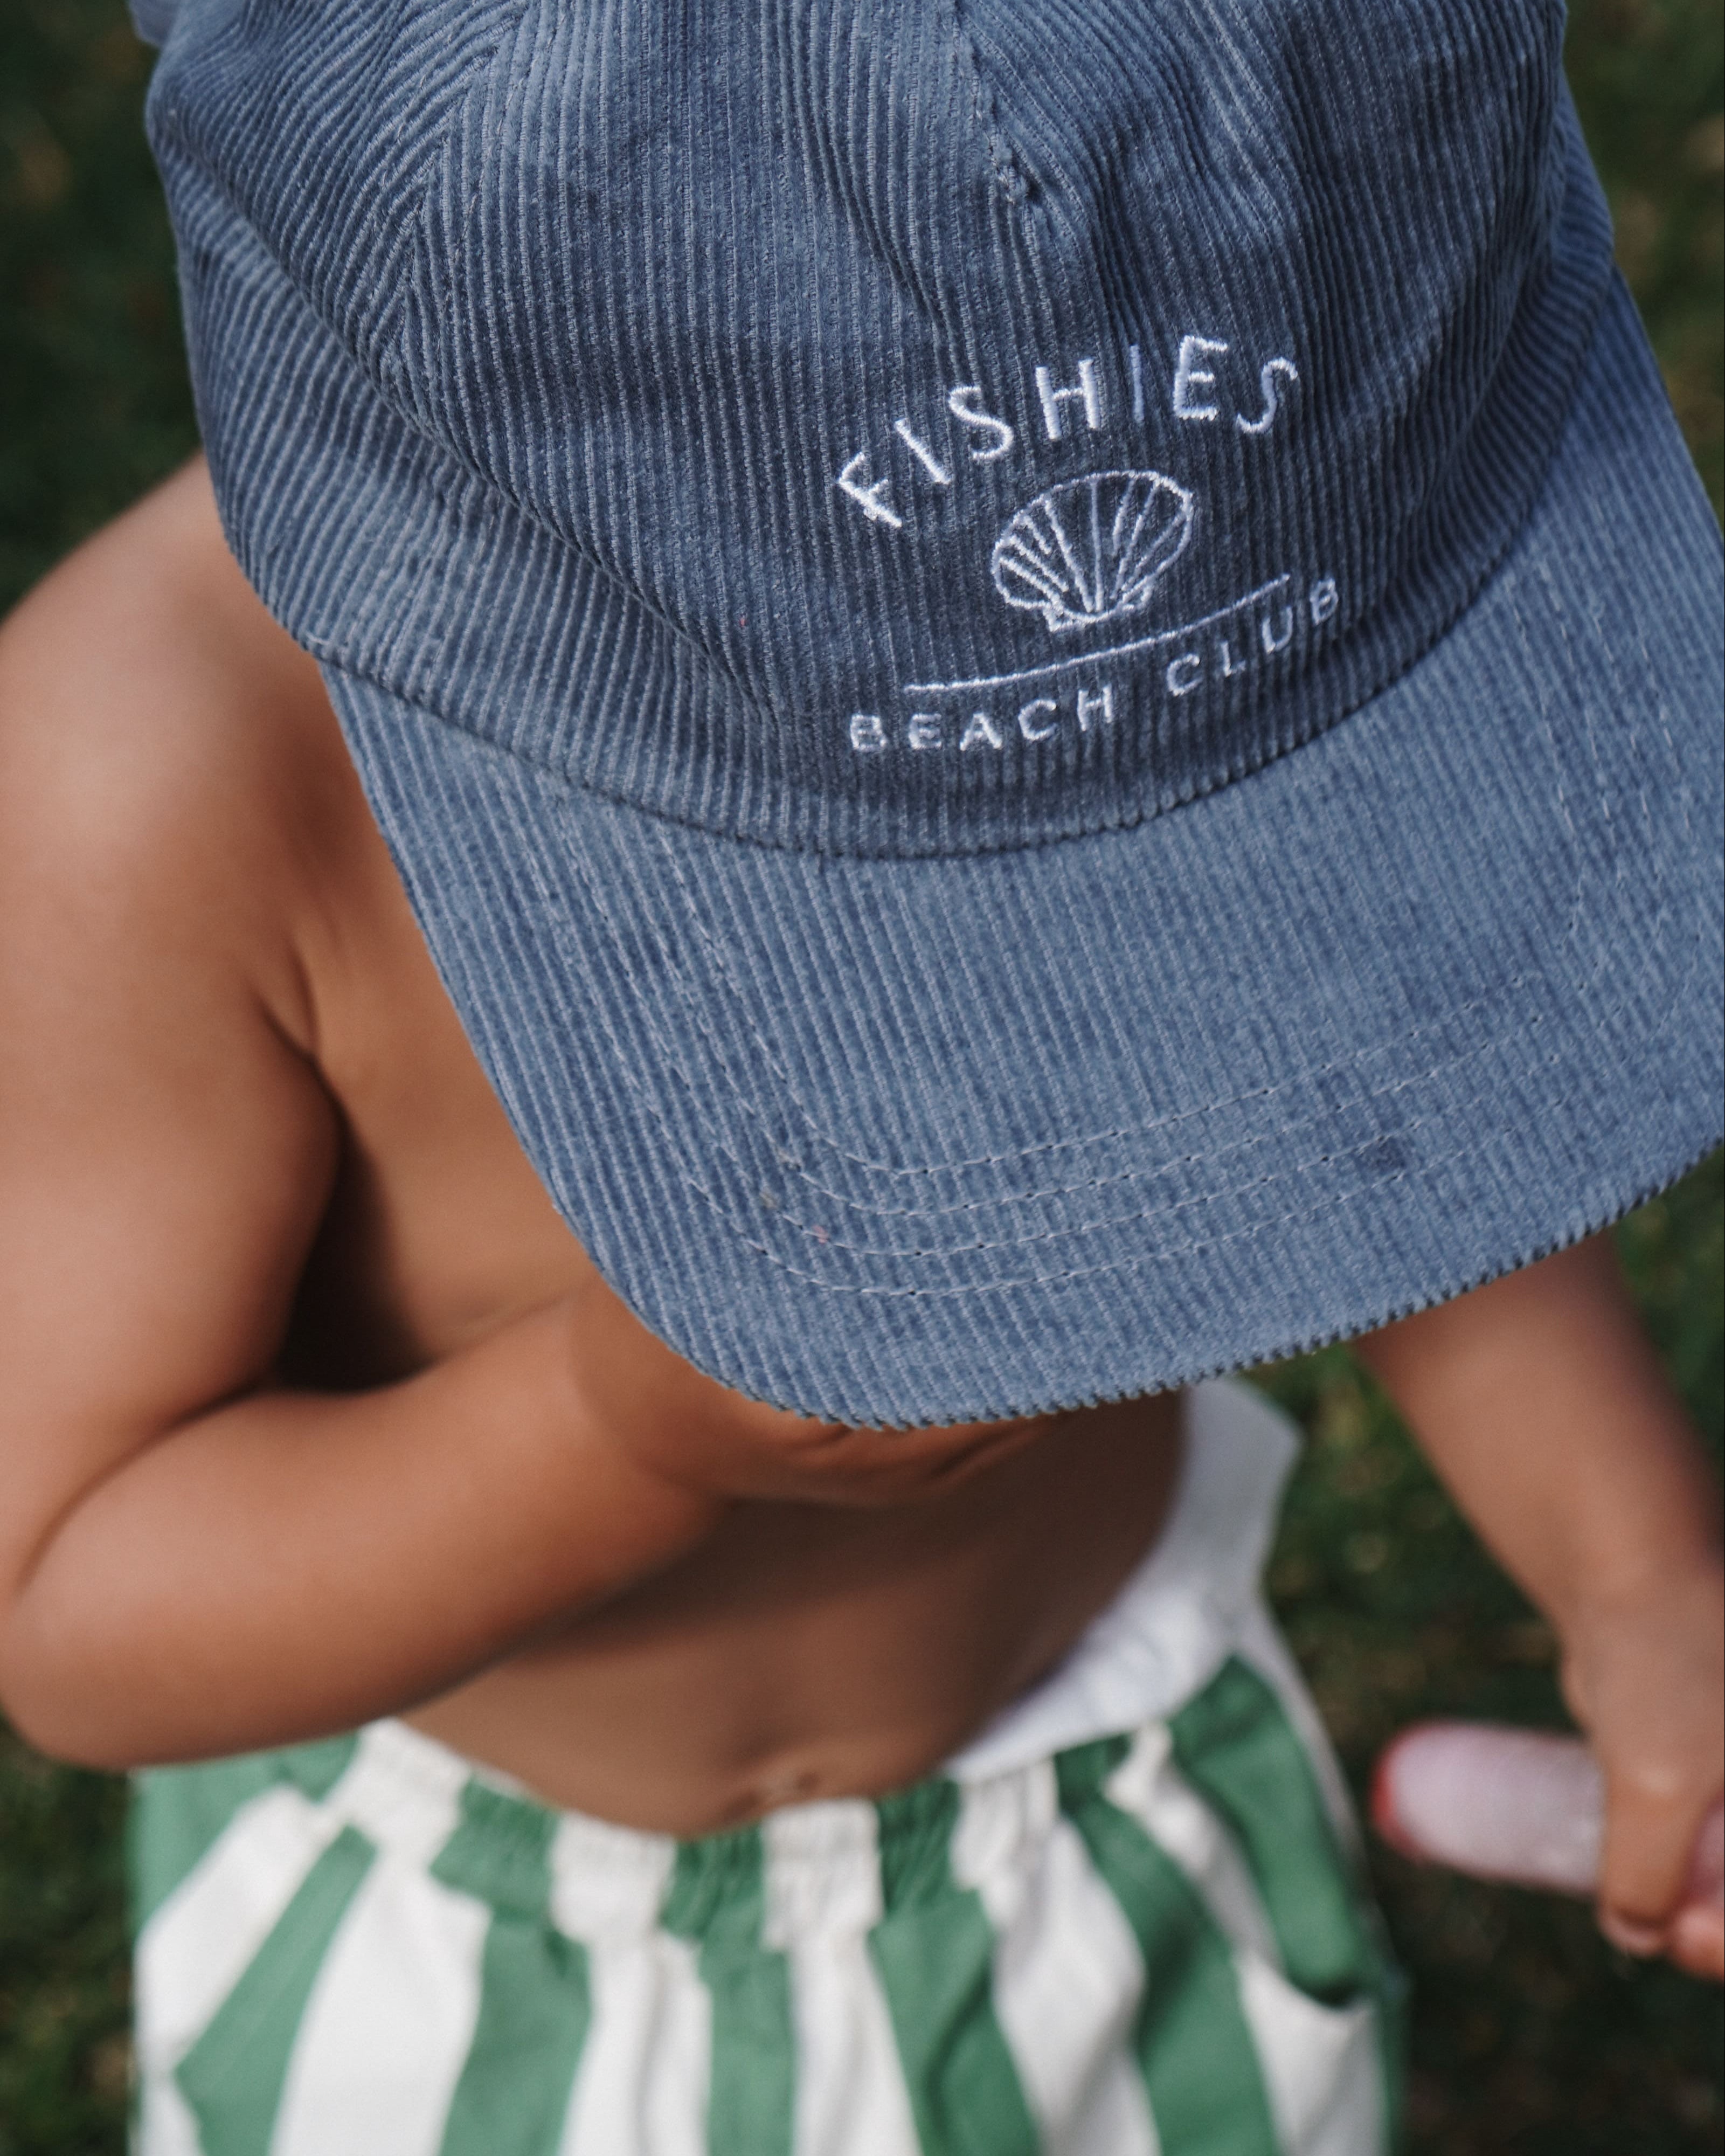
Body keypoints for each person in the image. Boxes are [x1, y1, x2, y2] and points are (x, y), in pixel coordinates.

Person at [1, 1, 1720, 2150]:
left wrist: (1643, 1573)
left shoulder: (1122, 615)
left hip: (1104, 1811)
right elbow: (69, 1596)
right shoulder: (150, 785)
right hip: (488, 1965)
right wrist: (616, 1429)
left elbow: (1333, 1055)